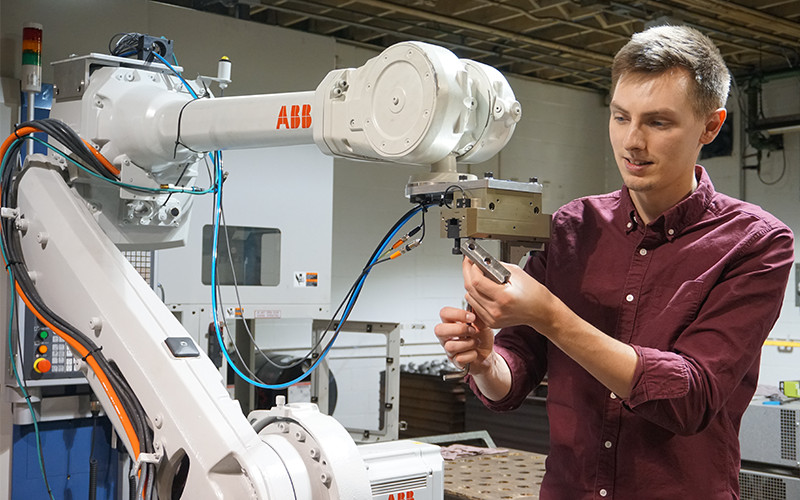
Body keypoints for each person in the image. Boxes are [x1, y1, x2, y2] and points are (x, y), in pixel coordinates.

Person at [435, 25, 794, 499]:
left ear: (710, 127)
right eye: (621, 117)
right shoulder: (572, 228)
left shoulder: (756, 243)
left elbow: (691, 398)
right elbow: (514, 374)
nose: (632, 141)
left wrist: (549, 315)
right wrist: (485, 363)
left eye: (658, 123)